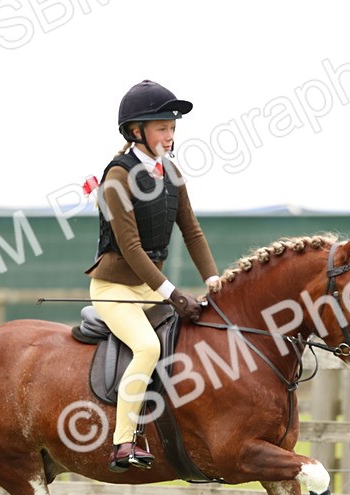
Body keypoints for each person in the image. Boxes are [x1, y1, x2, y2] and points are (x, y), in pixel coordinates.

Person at [86, 79, 222, 472]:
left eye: (173, 128)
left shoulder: (171, 173)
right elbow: (130, 248)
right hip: (115, 287)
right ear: (136, 131)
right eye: (162, 128)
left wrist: (213, 280)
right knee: (147, 347)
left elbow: (192, 231)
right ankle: (123, 442)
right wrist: (173, 293)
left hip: (150, 287)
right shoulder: (117, 177)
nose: (170, 134)